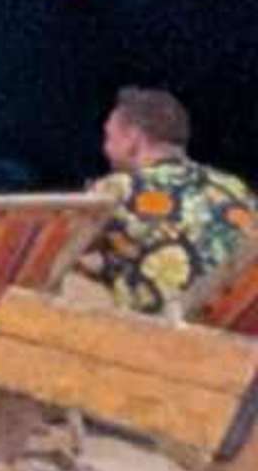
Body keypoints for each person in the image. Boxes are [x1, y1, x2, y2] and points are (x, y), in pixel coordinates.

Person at [85, 87, 257, 316]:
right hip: (233, 325)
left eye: (109, 137)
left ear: (132, 139)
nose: (105, 148)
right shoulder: (234, 188)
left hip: (166, 330)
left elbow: (57, 253)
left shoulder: (120, 188)